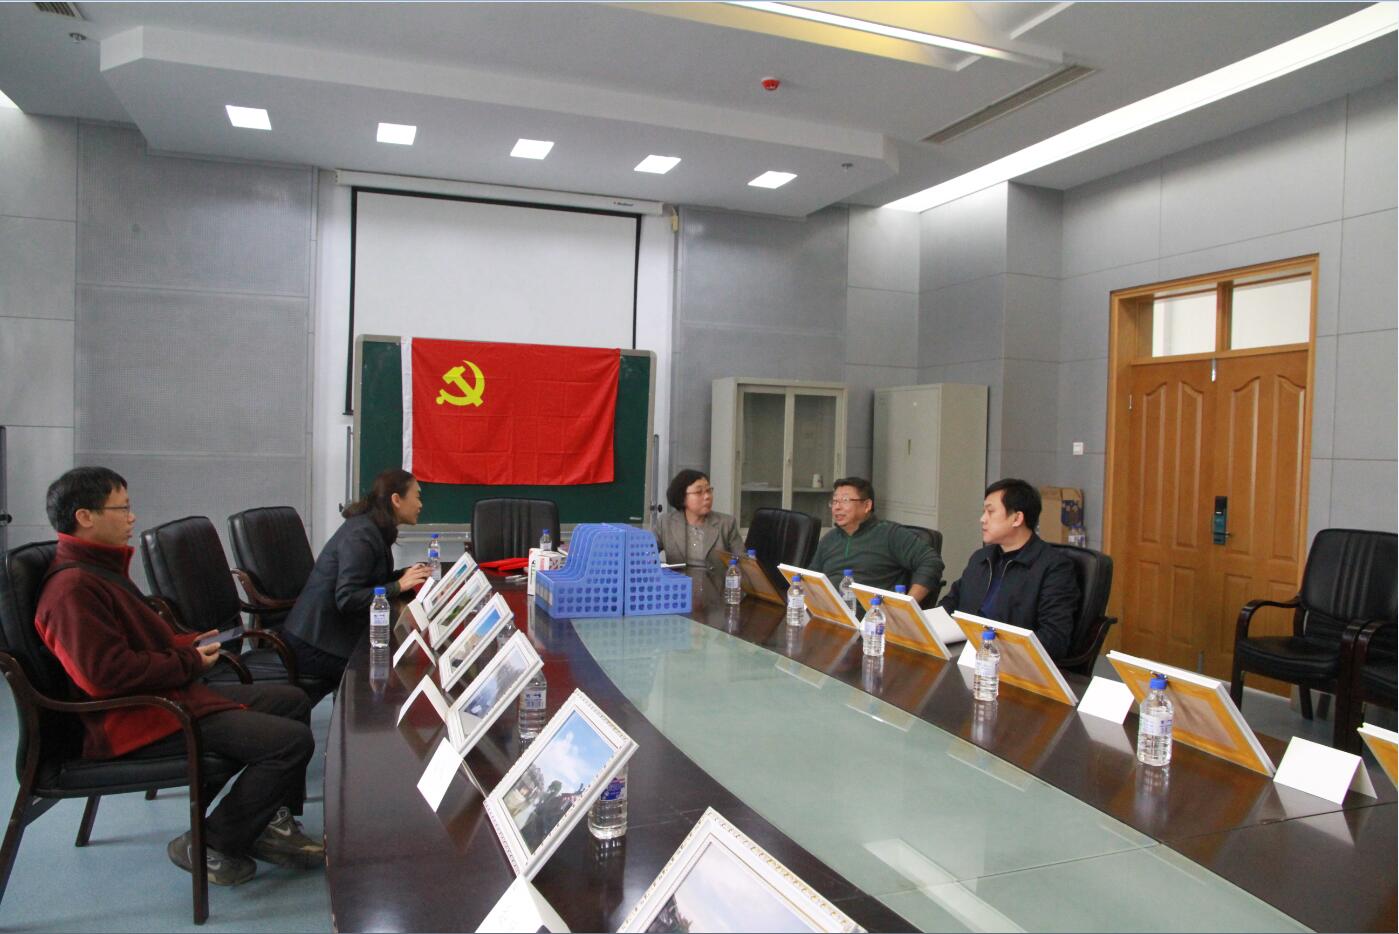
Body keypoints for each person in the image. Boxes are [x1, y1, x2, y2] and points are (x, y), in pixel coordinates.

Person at [34, 466, 323, 886]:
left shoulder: (97, 570)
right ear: (85, 517)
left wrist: (186, 644)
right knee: (289, 742)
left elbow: (134, 643)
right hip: (136, 719)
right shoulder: (72, 589)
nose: (132, 517)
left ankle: (271, 823)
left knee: (292, 701)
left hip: (164, 698)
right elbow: (105, 676)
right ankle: (210, 843)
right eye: (122, 509)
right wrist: (189, 662)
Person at [282, 468, 433, 696]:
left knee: (396, 654)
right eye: (417, 496)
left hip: (330, 634)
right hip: (314, 644)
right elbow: (348, 598)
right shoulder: (362, 534)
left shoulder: (374, 527)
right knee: (391, 670)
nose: (420, 504)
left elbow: (370, 580)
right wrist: (398, 586)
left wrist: (403, 576)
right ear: (396, 500)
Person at [939, 478, 1079, 661]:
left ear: (1017, 518)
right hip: (964, 655)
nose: (982, 519)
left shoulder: (1054, 567)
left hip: (1009, 663)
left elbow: (1054, 639)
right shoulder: (981, 558)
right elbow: (951, 604)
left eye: (990, 512)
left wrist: (997, 650)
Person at [810, 477, 942, 603]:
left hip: (872, 613)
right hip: (828, 610)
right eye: (834, 501)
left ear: (867, 505)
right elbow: (811, 578)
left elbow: (931, 562)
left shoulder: (890, 534)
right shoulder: (829, 538)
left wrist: (908, 603)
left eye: (845, 500)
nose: (837, 507)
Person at [654, 469, 744, 573]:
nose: (707, 497)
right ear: (682, 497)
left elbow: (743, 562)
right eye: (699, 492)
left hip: (715, 583)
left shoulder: (726, 523)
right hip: (678, 582)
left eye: (709, 491)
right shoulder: (665, 523)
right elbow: (646, 556)